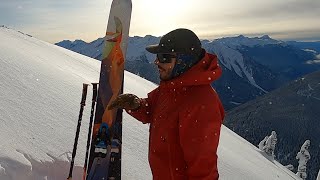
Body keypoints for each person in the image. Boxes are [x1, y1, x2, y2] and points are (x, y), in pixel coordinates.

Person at [109, 28, 225, 180]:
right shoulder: (172, 87)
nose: (157, 62)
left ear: (184, 61)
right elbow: (153, 109)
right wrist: (136, 105)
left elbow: (203, 169)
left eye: (164, 57)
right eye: (158, 56)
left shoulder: (200, 102)